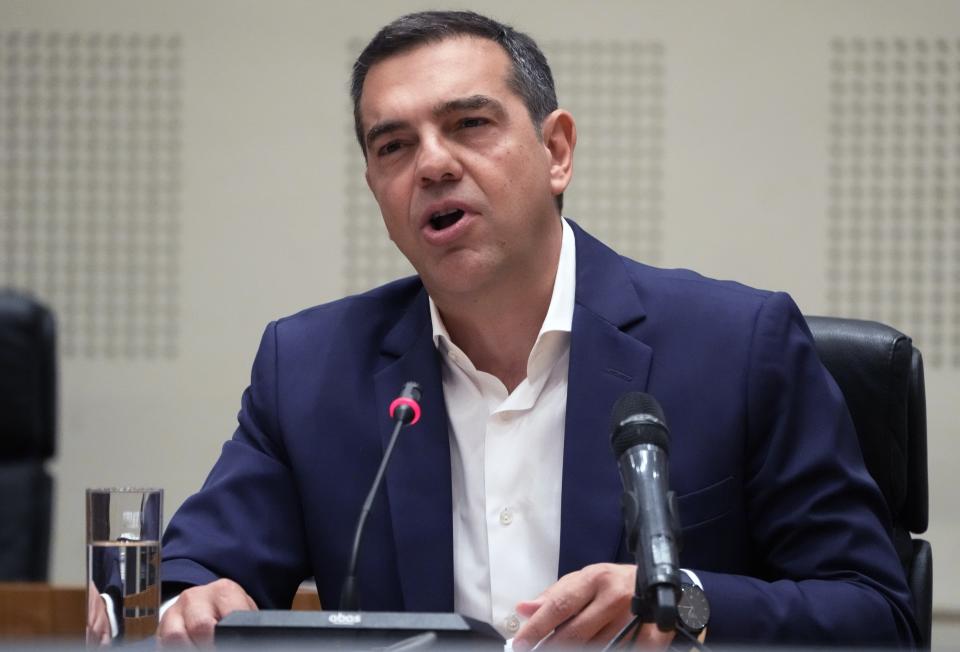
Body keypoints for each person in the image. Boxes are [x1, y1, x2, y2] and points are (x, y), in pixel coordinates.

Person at [157, 10, 918, 649]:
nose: (431, 164)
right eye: (394, 146)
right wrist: (193, 600)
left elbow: (877, 615)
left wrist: (685, 603)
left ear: (556, 152)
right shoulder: (311, 368)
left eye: (469, 124)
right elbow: (195, 570)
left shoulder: (738, 346)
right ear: (376, 189)